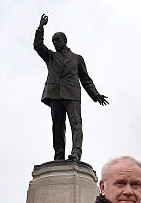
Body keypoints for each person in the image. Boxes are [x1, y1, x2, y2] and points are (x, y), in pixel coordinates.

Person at [34, 13, 108, 161]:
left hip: (72, 94)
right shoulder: (50, 56)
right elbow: (38, 46)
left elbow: (86, 79)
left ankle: (76, 153)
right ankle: (59, 156)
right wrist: (41, 27)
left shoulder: (77, 58)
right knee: (57, 127)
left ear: (64, 41)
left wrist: (96, 95)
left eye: (57, 40)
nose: (55, 43)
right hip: (55, 94)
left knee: (76, 124)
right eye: (53, 41)